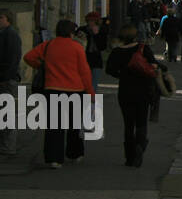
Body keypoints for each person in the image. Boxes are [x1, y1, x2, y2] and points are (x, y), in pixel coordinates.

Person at [23, 19, 94, 168]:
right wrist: (90, 93)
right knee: (74, 125)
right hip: (75, 90)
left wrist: (42, 65)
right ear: (71, 32)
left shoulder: (48, 45)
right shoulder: (77, 47)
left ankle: (53, 158)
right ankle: (75, 153)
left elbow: (28, 57)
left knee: (54, 125)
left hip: (53, 88)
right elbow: (84, 72)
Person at [107, 26, 161, 167]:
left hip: (125, 91)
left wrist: (122, 75)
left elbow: (109, 70)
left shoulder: (117, 52)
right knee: (141, 121)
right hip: (143, 90)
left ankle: (129, 157)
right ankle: (140, 145)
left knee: (128, 124)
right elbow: (154, 65)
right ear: (135, 36)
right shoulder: (143, 49)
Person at [0, 9, 22, 157]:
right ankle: (5, 145)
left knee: (7, 113)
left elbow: (13, 59)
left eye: (1, 17)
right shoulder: (4, 34)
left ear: (8, 19)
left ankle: (8, 147)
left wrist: (6, 78)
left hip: (7, 79)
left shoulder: (11, 35)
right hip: (4, 78)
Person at [78, 12, 109, 93]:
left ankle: (91, 102)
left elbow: (102, 46)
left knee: (93, 84)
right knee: (82, 83)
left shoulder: (102, 31)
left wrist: (96, 35)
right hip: (84, 58)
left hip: (96, 60)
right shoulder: (82, 30)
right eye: (89, 21)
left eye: (93, 21)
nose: (91, 23)